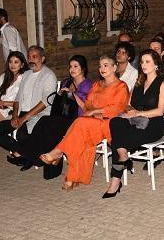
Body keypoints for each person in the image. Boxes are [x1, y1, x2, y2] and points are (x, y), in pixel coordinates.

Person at [40, 55, 129, 189]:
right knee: (81, 135)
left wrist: (95, 111)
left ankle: (58, 152)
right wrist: (92, 111)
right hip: (93, 121)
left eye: (105, 65)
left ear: (114, 67)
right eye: (100, 66)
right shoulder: (97, 85)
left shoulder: (121, 86)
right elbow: (87, 104)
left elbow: (118, 108)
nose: (102, 68)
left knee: (80, 123)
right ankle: (73, 176)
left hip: (109, 123)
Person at [103, 50, 164, 198]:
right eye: (142, 62)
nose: (143, 65)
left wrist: (138, 113)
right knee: (115, 121)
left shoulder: (163, 84)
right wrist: (130, 111)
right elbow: (128, 105)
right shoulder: (139, 82)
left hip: (153, 125)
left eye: (147, 61)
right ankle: (123, 153)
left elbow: (160, 111)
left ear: (156, 64)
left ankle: (115, 181)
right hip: (135, 121)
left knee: (119, 138)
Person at [19, 55, 92, 178]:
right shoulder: (66, 82)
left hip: (78, 120)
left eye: (75, 66)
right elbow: (58, 102)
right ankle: (44, 163)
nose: (72, 69)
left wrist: (73, 94)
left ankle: (27, 154)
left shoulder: (88, 85)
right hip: (62, 116)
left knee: (50, 124)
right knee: (45, 122)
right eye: (70, 66)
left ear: (83, 68)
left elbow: (87, 108)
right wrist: (59, 94)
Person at [0, 46, 57, 168]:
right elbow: (18, 98)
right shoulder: (26, 74)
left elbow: (45, 102)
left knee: (22, 135)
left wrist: (23, 119)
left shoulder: (48, 75)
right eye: (29, 57)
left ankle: (23, 156)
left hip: (39, 115)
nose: (31, 60)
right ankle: (28, 156)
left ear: (42, 59)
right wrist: (15, 116)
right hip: (21, 112)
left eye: (34, 57)